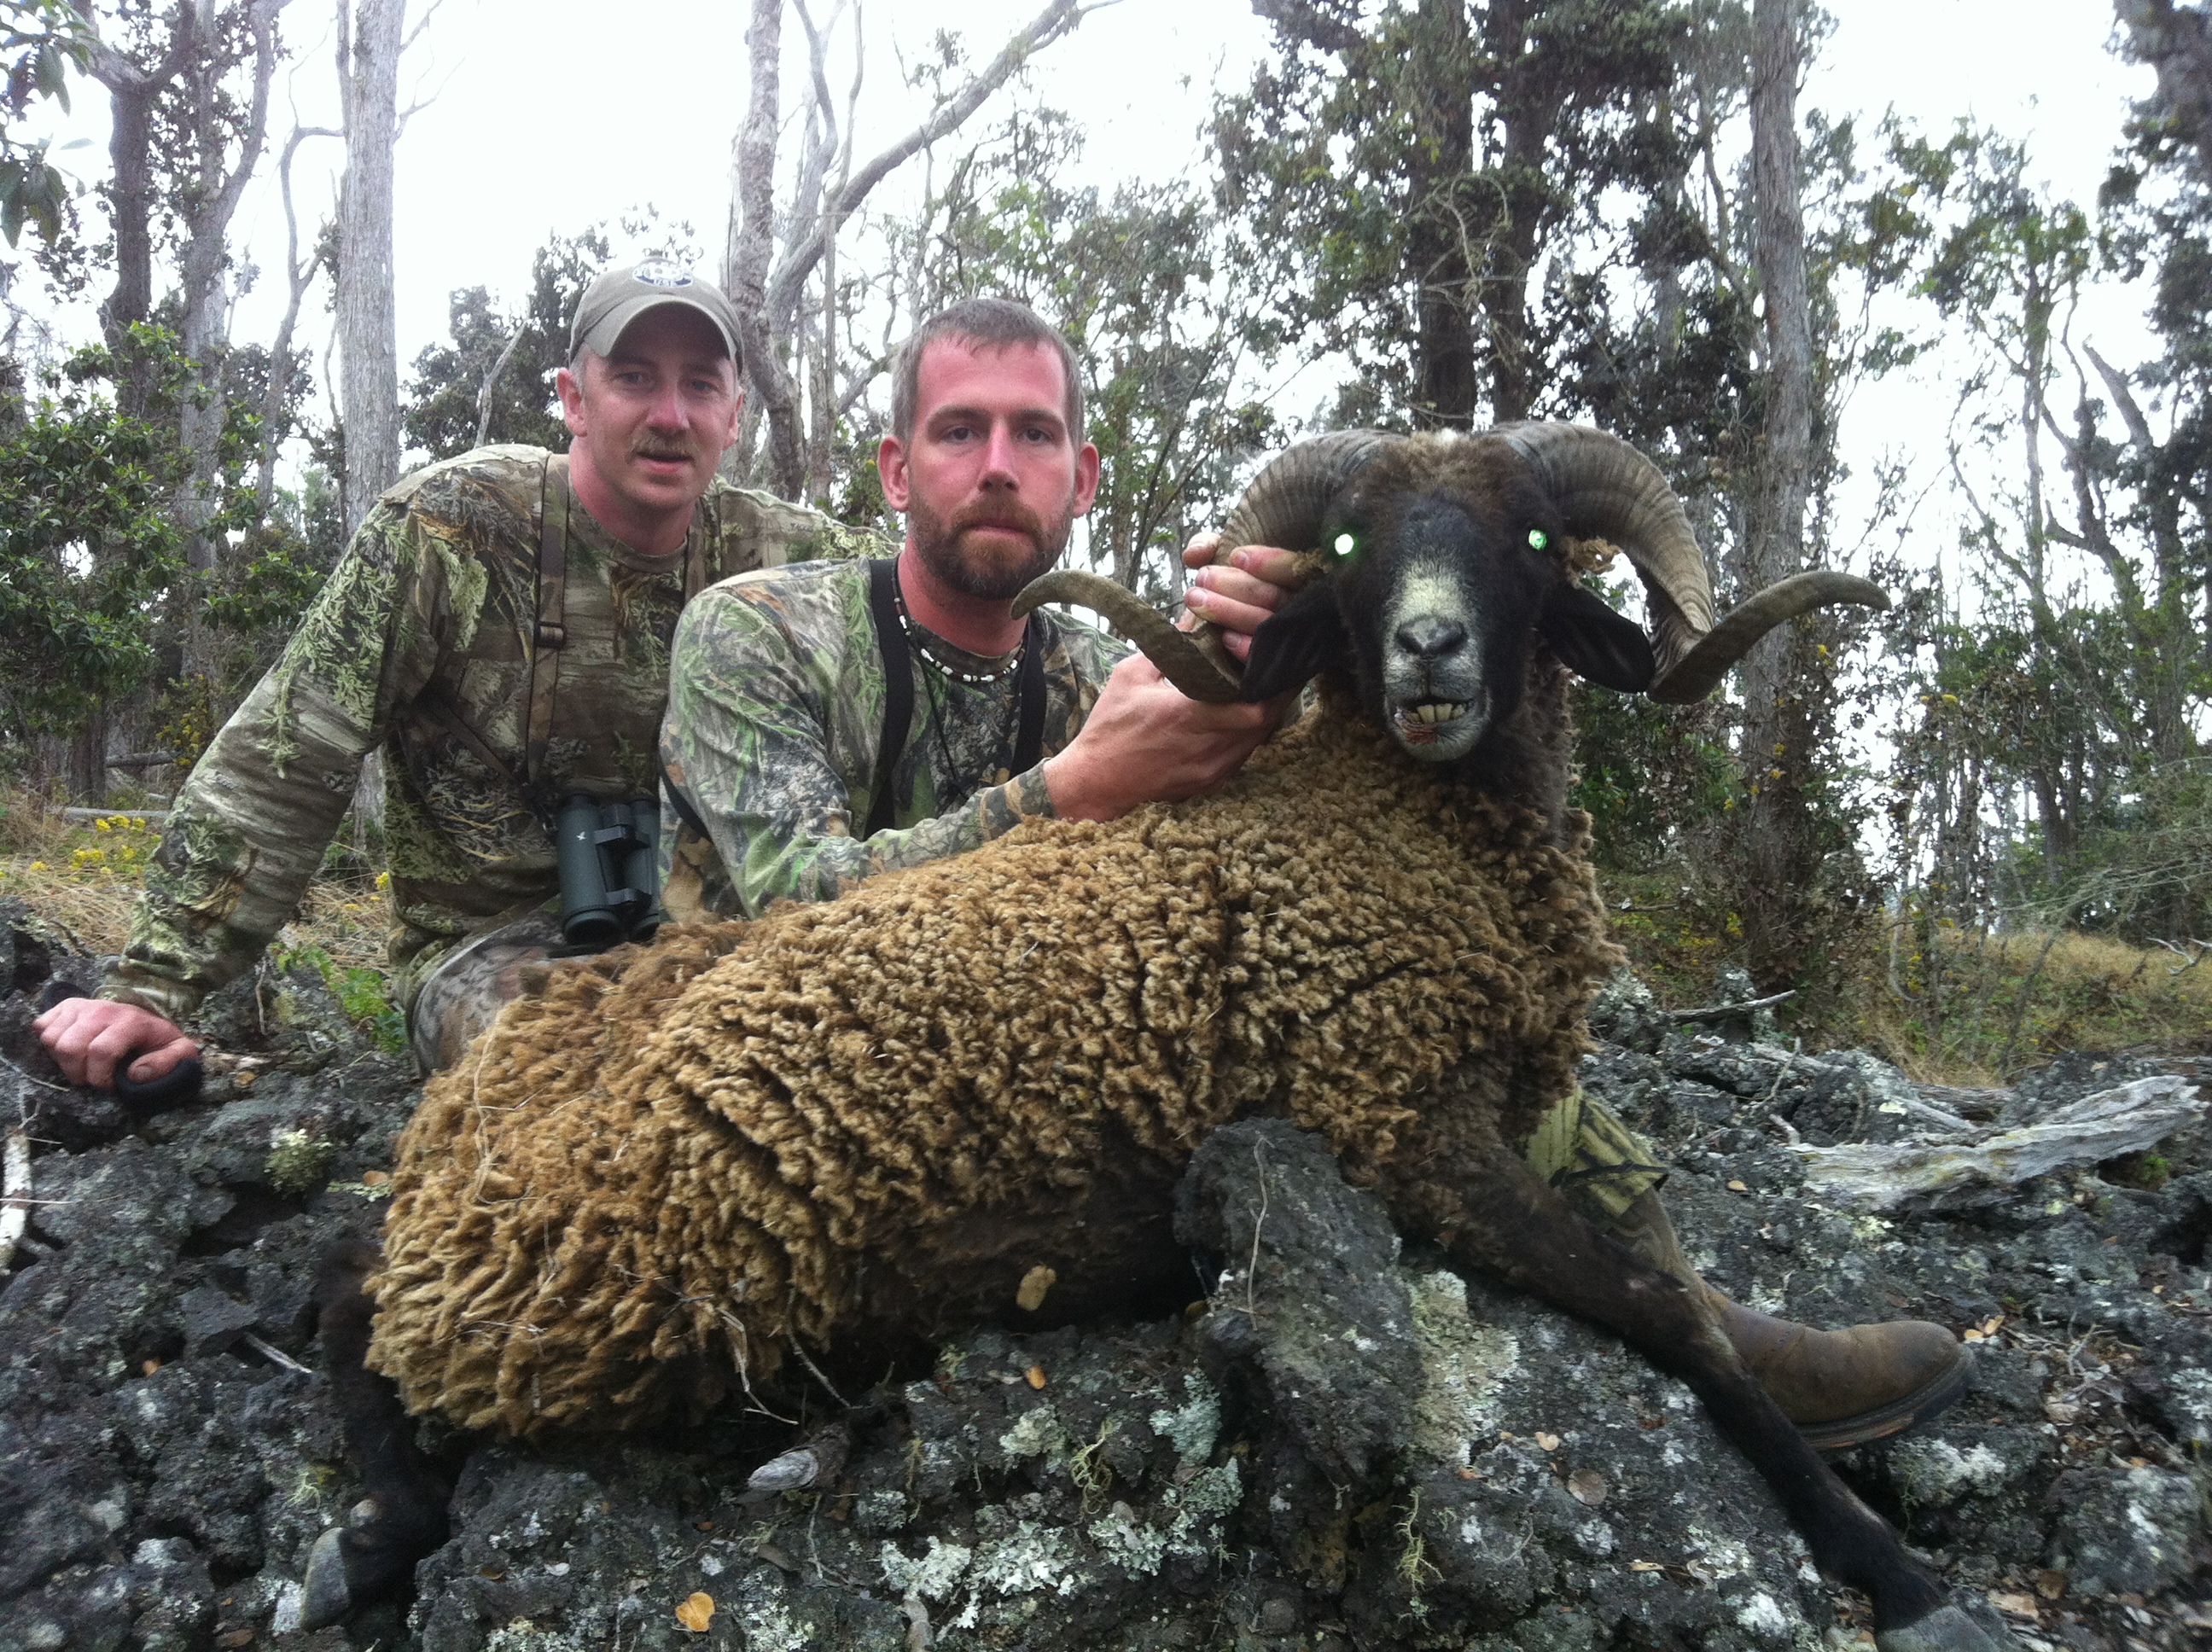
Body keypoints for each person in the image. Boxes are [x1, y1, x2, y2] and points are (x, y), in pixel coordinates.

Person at [661, 295, 1968, 1453]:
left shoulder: (1111, 670)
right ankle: (1689, 1327)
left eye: (1034, 433)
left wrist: (1304, 652)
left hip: (1036, 1067)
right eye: (960, 430)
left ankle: (1696, 1308)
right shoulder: (763, 628)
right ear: (897, 467)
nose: (998, 464)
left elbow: (1269, 901)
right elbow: (786, 906)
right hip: (764, 1065)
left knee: (1424, 1016)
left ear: (1082, 473)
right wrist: (1076, 784)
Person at [35, 260, 880, 1084]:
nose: (670, 415)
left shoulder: (799, 558)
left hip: (722, 931)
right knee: (589, 1073)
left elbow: (935, 623)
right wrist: (153, 986)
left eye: (700, 385)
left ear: (734, 416)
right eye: (633, 378)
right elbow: (287, 758)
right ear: (574, 399)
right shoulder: (448, 530)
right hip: (492, 949)